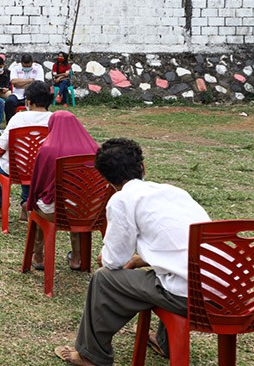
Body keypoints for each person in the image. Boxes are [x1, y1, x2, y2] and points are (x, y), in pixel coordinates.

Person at [53, 138, 211, 366]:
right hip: (228, 290)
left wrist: (108, 258)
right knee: (169, 274)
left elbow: (112, 261)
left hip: (191, 297)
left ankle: (91, 355)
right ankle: (164, 341)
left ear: (106, 180)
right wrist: (140, 259)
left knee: (104, 279)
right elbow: (178, 245)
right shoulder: (175, 192)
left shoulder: (122, 200)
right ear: (143, 167)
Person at [26, 111, 97, 271]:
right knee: (77, 199)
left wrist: (31, 201)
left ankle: (38, 255)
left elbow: (38, 183)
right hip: (86, 210)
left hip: (55, 211)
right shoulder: (93, 148)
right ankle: (77, 258)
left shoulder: (47, 149)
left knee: (41, 206)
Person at [0, 81, 52, 214]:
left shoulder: (19, 118)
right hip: (43, 170)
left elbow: (2, 144)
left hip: (16, 168)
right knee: (32, 163)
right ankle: (26, 202)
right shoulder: (54, 119)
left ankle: (2, 204)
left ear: (28, 101)